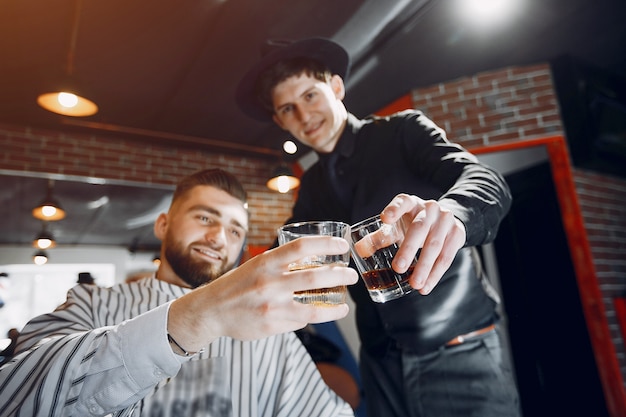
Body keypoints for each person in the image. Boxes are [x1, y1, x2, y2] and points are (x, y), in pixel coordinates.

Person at [236, 38, 521, 416]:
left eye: (310, 95)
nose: (304, 116)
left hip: (460, 352)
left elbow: (484, 180)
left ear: (336, 87)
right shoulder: (312, 190)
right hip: (378, 367)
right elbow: (281, 255)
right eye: (288, 108)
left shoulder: (402, 132)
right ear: (279, 120)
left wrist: (451, 213)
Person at [0, 168, 357, 416]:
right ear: (163, 224)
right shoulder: (92, 303)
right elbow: (14, 396)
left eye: (235, 231)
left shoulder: (270, 328)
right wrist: (200, 315)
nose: (219, 238)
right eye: (205, 218)